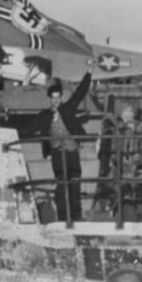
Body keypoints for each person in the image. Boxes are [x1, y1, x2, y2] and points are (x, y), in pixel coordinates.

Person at [31, 72, 92, 223]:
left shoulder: (68, 109)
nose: (56, 100)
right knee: (61, 185)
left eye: (58, 97)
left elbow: (79, 94)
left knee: (75, 183)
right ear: (50, 99)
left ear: (61, 98)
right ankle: (63, 217)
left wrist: (88, 74)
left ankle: (76, 216)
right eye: (54, 98)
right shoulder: (45, 115)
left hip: (71, 153)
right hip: (57, 154)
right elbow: (29, 127)